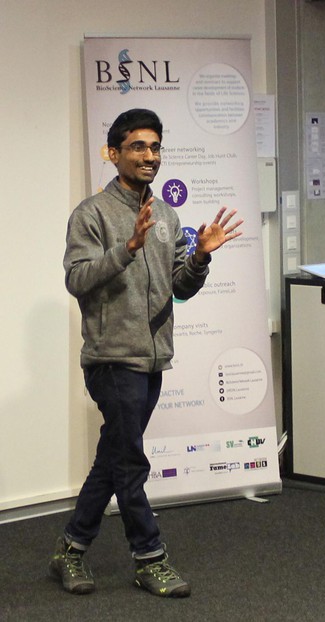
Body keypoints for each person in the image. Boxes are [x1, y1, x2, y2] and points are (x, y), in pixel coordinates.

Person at [51, 108, 242, 597]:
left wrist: (200, 257)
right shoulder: (91, 214)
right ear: (113, 154)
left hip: (154, 358)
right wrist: (127, 248)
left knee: (114, 457)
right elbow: (77, 280)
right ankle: (149, 557)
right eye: (138, 147)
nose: (149, 156)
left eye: (155, 147)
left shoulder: (168, 215)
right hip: (112, 359)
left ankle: (71, 550)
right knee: (131, 461)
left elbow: (179, 288)